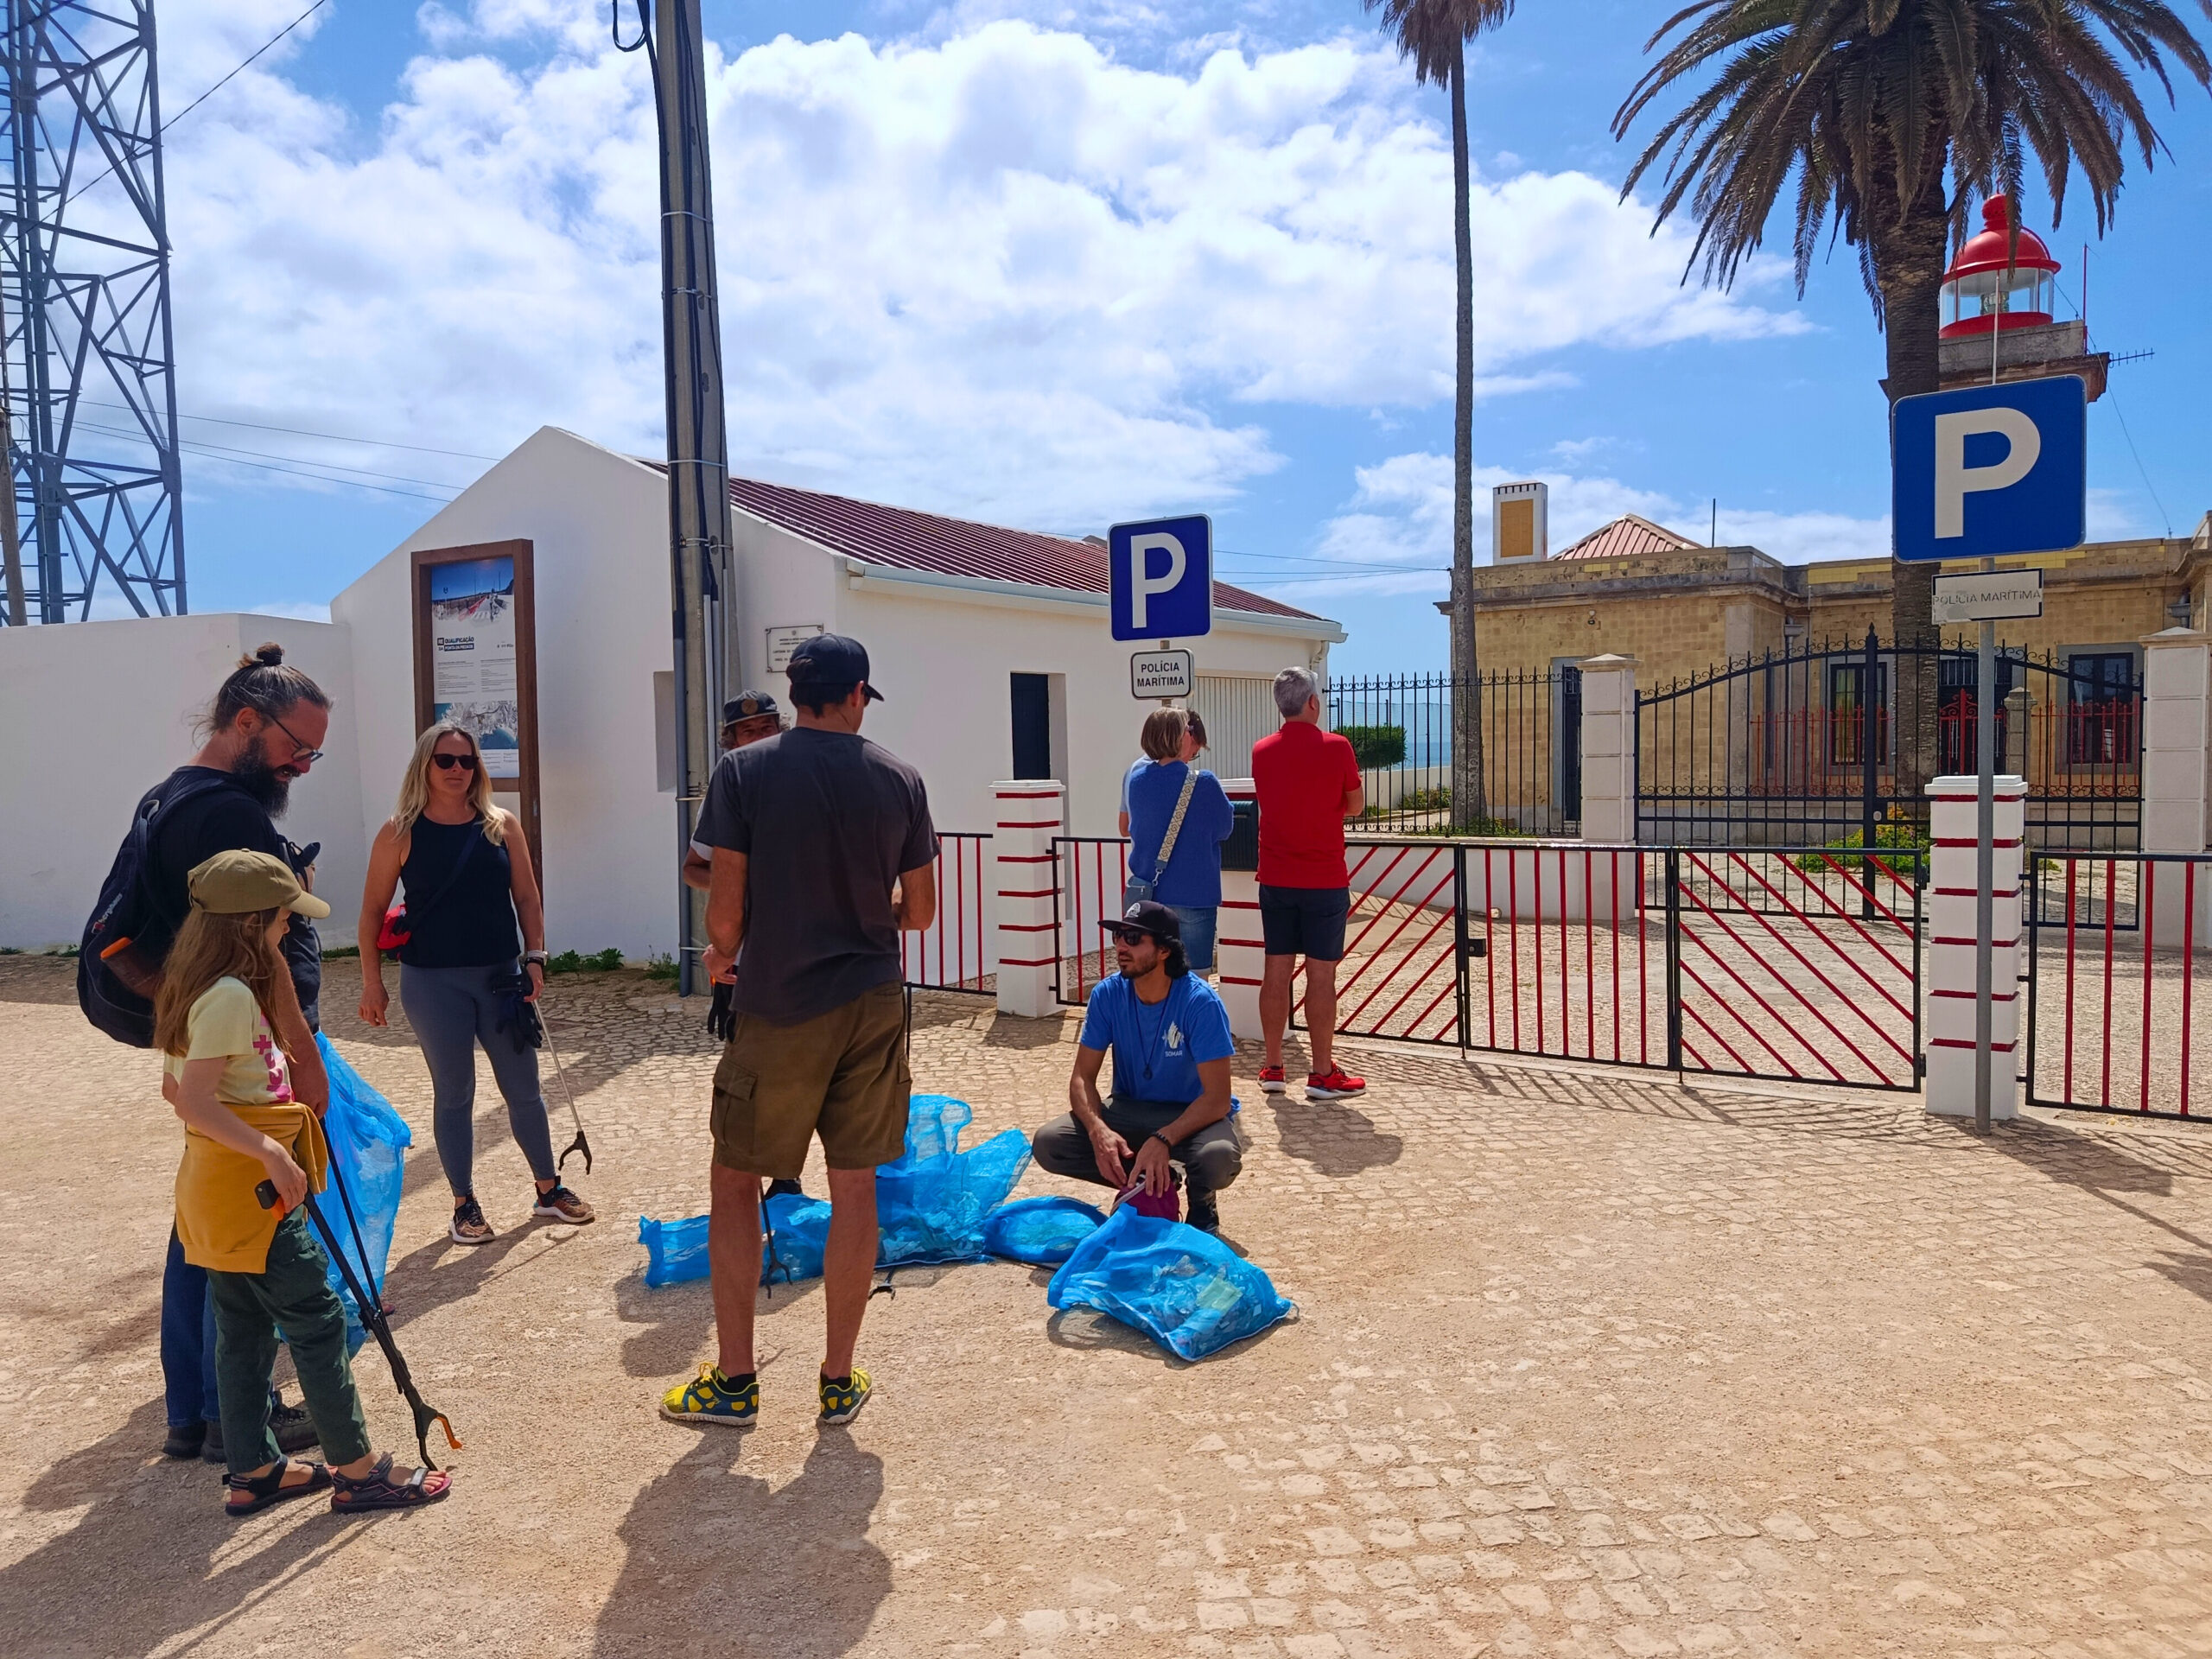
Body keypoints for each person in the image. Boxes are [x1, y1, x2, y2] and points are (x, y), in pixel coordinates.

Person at [660, 632, 937, 1430]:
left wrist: (724, 950)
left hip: (779, 1001)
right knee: (855, 1186)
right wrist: (863, 913)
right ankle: (838, 1380)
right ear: (855, 695)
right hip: (873, 1000)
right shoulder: (901, 779)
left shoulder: (744, 771)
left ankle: (735, 1383)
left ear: (794, 694)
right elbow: (920, 912)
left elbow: (723, 910)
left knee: (734, 1180)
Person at [89, 645, 333, 1465]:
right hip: (241, 1053)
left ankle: (193, 1409)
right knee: (240, 1230)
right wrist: (301, 1052)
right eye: (296, 747)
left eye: (314, 754)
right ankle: (240, 1412)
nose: (302, 766)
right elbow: (258, 951)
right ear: (246, 721)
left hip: (207, 1043)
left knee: (203, 1224)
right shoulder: (227, 813)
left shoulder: (169, 793)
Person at [156, 849, 451, 1516]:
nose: (289, 926)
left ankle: (254, 1468)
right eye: (281, 917)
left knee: (243, 1329)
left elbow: (173, 1087)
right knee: (316, 1320)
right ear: (249, 923)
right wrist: (270, 1150)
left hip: (214, 1190)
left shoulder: (199, 984)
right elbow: (192, 1101)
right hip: (252, 1193)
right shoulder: (230, 996)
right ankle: (359, 1470)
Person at [357, 721, 594, 1243]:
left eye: (467, 761)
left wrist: (536, 958)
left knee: (524, 1088)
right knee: (455, 1091)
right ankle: (463, 1203)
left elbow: (527, 898)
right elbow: (372, 911)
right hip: (431, 983)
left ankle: (548, 1189)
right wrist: (372, 982)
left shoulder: (500, 825)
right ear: (424, 765)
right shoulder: (399, 831)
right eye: (445, 760)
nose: (458, 769)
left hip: (501, 979)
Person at [1030, 900, 1242, 1232]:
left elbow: (1217, 1099)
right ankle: (1153, 1178)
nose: (1120, 946)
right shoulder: (1107, 995)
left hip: (1191, 1115)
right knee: (1049, 1143)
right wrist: (1098, 1131)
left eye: (1133, 938)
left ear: (1164, 951)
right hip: (1129, 1108)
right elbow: (1082, 1078)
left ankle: (1201, 1199)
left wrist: (1163, 1140)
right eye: (1118, 936)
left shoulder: (1200, 1002)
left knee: (1217, 1158)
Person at [1250, 665, 1367, 1101]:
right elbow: (1355, 805)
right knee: (1321, 976)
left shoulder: (1262, 750)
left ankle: (1273, 1066)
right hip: (1323, 878)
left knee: (1275, 971)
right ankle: (1321, 1073)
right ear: (1313, 702)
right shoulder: (1337, 747)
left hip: (1276, 876)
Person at [1122, 709, 1233, 974]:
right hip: (1194, 894)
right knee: (1193, 977)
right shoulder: (1204, 782)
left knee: (1153, 976)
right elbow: (1225, 828)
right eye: (1187, 729)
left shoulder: (1137, 780)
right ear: (1177, 736)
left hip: (1149, 895)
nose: (1191, 734)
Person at [681, 692, 785, 893]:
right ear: (733, 741)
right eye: (748, 731)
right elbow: (692, 871)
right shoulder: (726, 794)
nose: (760, 738)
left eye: (766, 728)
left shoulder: (803, 776)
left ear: (780, 730)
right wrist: (744, 886)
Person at [1119, 709, 1208, 836]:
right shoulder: (1186, 779)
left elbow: (1124, 828)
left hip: (1143, 848)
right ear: (1187, 737)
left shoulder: (1133, 772)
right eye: (1194, 753)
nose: (1188, 761)